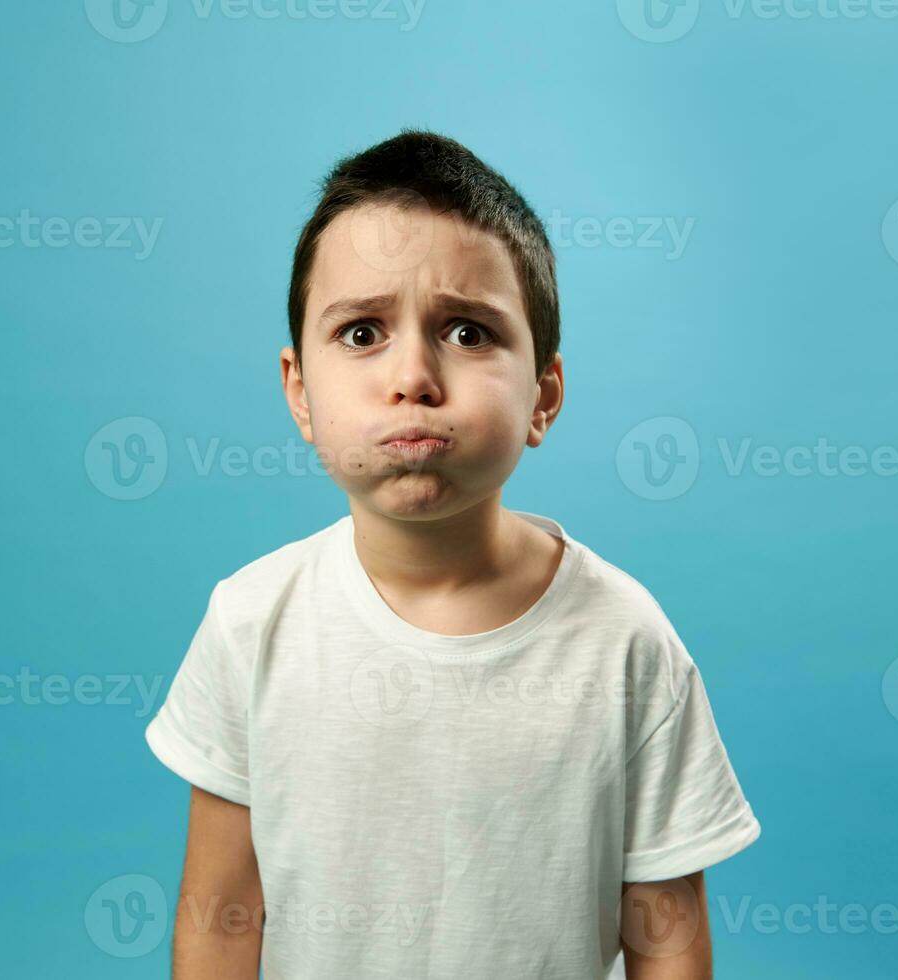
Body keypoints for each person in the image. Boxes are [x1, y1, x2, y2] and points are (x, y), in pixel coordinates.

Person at [144, 129, 760, 979]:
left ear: (543, 395)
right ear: (299, 393)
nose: (413, 377)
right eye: (361, 333)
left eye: (467, 333)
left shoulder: (624, 642)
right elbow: (219, 917)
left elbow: (667, 936)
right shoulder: (251, 622)